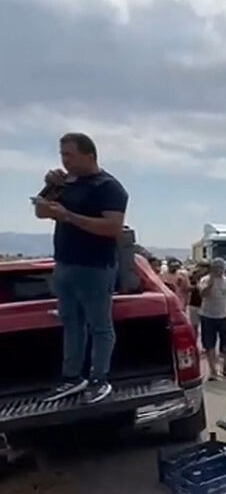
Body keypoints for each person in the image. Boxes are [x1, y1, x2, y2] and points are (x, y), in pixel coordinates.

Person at [34, 132, 129, 404]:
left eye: (69, 155)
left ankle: (100, 378)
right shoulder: (65, 182)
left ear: (89, 155)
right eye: (62, 155)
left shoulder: (108, 187)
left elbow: (113, 227)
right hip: (65, 263)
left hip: (95, 267)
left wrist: (68, 216)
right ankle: (72, 377)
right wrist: (48, 187)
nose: (65, 161)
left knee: (99, 325)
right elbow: (41, 211)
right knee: (71, 323)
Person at [198, 258, 226, 380]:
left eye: (221, 268)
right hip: (208, 316)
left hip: (223, 316)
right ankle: (213, 370)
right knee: (209, 344)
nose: (219, 270)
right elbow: (203, 294)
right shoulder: (205, 280)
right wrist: (211, 282)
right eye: (216, 268)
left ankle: (225, 366)